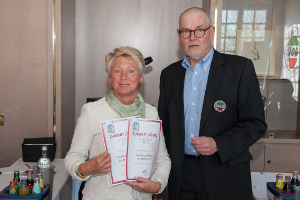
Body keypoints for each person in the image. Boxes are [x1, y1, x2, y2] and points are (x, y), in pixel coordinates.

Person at [158, 7, 267, 200]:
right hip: (181, 177)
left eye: (199, 30)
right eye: (186, 31)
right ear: (179, 35)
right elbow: (164, 129)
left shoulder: (240, 68)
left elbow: (255, 123)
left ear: (212, 32)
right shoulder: (168, 75)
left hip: (225, 173)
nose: (192, 37)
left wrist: (218, 143)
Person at [65, 46, 171, 200]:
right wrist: (85, 168)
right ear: (109, 77)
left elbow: (162, 159)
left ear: (141, 77)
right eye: (117, 71)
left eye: (130, 71)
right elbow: (72, 157)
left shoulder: (151, 113)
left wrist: (157, 184)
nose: (123, 77)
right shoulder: (92, 112)